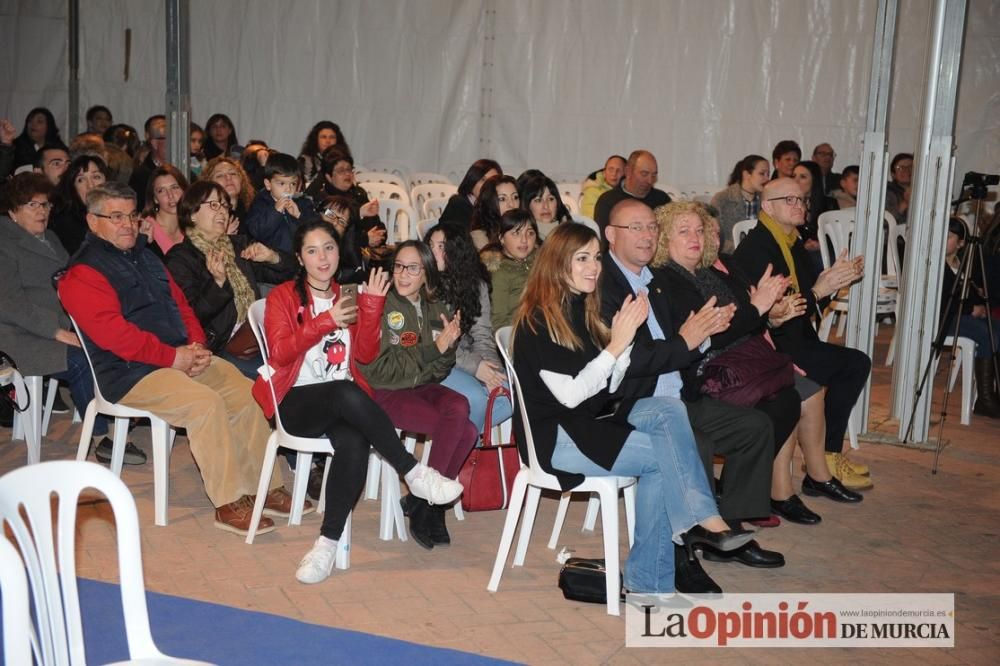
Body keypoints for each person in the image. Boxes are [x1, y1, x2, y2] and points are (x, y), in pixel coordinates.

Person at [511, 222, 754, 596]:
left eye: (595, 257)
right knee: (660, 459)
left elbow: (611, 385)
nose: (593, 267)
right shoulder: (539, 321)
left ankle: (700, 522)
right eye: (581, 259)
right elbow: (571, 396)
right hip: (558, 436)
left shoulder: (582, 309)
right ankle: (653, 577)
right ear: (558, 264)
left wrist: (621, 346)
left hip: (590, 421)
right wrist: (616, 345)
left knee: (668, 410)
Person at [58, 181, 301, 536]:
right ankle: (228, 501)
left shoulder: (146, 256)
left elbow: (182, 306)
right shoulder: (82, 273)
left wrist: (197, 346)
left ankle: (262, 486)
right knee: (205, 403)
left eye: (131, 215)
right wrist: (173, 358)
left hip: (179, 356)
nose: (127, 224)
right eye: (115, 217)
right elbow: (117, 337)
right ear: (92, 221)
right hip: (130, 373)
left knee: (246, 390)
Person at [253, 219, 463, 583]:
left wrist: (370, 309)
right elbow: (281, 353)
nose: (323, 257)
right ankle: (412, 471)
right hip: (294, 403)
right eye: (312, 250)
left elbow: (364, 355)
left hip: (341, 405)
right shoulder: (283, 297)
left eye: (329, 248)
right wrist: (324, 322)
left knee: (354, 439)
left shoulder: (346, 295)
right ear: (300, 258)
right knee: (344, 391)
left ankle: (325, 545)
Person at [600, 199, 778, 588]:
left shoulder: (654, 281)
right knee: (688, 440)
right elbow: (629, 362)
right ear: (611, 236)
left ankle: (726, 526)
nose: (647, 236)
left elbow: (690, 341)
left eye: (651, 227)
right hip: (631, 403)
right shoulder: (605, 287)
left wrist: (701, 336)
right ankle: (685, 556)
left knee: (754, 426)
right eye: (636, 228)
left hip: (680, 393)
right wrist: (692, 340)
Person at [652, 202, 863, 527]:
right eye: (685, 231)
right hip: (706, 375)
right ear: (665, 239)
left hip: (742, 365)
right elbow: (713, 335)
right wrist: (757, 308)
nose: (698, 236)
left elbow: (749, 323)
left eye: (701, 228)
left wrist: (770, 314)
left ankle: (745, 497)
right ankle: (741, 505)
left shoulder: (711, 273)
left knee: (788, 398)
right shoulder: (668, 279)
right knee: (773, 408)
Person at [732, 178, 874, 490]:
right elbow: (781, 308)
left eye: (802, 200)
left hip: (796, 337)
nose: (800, 206)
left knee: (853, 363)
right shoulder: (757, 248)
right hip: (771, 346)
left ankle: (825, 458)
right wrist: (819, 289)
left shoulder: (792, 241)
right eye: (790, 200)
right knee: (853, 364)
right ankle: (827, 457)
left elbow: (808, 299)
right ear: (768, 207)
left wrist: (831, 281)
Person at [0, 173, 144, 465]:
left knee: (116, 341)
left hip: (63, 324)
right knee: (82, 360)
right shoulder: (5, 243)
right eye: (33, 205)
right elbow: (9, 303)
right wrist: (57, 331)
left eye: (46, 205)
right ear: (13, 211)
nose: (42, 212)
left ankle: (124, 413)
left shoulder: (49, 238)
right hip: (20, 336)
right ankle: (104, 436)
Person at [355, 241, 479, 549]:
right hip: (388, 393)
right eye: (398, 266)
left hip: (422, 385)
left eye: (412, 268)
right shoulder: (385, 306)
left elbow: (443, 366)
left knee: (460, 407)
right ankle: (431, 508)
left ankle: (423, 503)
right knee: (466, 430)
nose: (403, 274)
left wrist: (444, 350)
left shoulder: (436, 307)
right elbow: (382, 370)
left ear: (426, 273)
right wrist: (434, 350)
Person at [165, 181, 296, 378]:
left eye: (225, 205)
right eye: (214, 205)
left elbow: (289, 272)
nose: (223, 211)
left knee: (300, 363)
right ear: (192, 213)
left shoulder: (238, 245)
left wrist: (271, 256)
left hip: (259, 338)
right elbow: (189, 317)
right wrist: (217, 283)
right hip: (221, 347)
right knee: (277, 375)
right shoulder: (181, 257)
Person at [425, 223, 512, 433]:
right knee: (476, 398)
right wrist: (476, 367)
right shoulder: (425, 286)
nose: (434, 252)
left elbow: (481, 332)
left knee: (511, 394)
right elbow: (438, 343)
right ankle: (463, 448)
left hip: (464, 358)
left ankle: (461, 441)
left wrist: (491, 368)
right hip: (434, 361)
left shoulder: (475, 284)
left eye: (441, 246)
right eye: (431, 246)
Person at [941, 217, 1000, 417]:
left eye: (949, 236)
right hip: (945, 319)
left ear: (961, 243)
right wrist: (970, 309)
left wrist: (979, 300)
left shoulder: (963, 264)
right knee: (986, 333)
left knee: (996, 327)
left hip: (960, 315)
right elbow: (945, 298)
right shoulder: (937, 265)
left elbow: (968, 294)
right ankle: (984, 399)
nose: (943, 239)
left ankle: (994, 389)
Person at [303, 146, 385, 248]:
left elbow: (378, 226)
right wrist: (364, 238)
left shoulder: (359, 194)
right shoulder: (323, 200)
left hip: (367, 255)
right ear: (329, 177)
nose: (347, 174)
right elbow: (333, 234)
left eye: (349, 169)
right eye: (341, 171)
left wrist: (377, 237)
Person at [245, 152, 320, 253]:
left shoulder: (302, 202)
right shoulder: (260, 203)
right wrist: (275, 211)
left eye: (293, 183)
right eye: (281, 183)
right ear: (268, 184)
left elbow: (318, 228)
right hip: (269, 264)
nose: (288, 189)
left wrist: (299, 215)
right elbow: (256, 231)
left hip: (298, 260)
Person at [481, 209, 539, 331]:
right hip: (520, 333)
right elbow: (499, 322)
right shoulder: (500, 273)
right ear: (501, 238)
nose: (524, 240)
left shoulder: (542, 263)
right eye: (516, 233)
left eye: (530, 233)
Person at [593, 150, 670, 237]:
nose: (649, 180)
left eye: (653, 175)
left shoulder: (662, 200)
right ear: (628, 171)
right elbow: (604, 241)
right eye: (644, 174)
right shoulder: (608, 202)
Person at [48, 154, 109, 256]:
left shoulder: (121, 215)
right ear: (73, 189)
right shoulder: (65, 224)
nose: (90, 185)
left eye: (96, 177)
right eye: (81, 180)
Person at [710, 154, 770, 253]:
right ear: (746, 174)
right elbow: (714, 236)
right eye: (762, 173)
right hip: (730, 256)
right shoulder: (722, 199)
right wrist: (741, 250)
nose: (767, 179)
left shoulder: (766, 200)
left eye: (768, 174)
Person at [139, 164, 189, 258]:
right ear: (155, 199)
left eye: (174, 187)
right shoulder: (145, 228)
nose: (170, 195)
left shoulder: (192, 227)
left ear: (184, 190)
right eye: (161, 191)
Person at [439, 159, 502, 228]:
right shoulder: (458, 204)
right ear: (472, 179)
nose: (486, 185)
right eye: (483, 180)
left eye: (492, 181)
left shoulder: (493, 206)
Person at [792, 160, 836, 253]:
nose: (795, 181)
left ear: (814, 180)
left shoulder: (829, 203)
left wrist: (821, 245)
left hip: (824, 253)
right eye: (793, 176)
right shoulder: (787, 204)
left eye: (802, 177)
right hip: (797, 252)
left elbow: (836, 235)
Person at [469, 174, 519, 249]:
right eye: (502, 199)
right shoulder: (479, 236)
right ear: (489, 202)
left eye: (515, 197)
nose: (511, 204)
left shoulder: (525, 227)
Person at [201, 155, 255, 226]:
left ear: (241, 179)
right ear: (209, 183)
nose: (228, 177)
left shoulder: (255, 212)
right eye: (220, 175)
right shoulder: (205, 218)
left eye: (232, 173)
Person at [519, 173, 573, 241]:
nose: (546, 206)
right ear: (527, 206)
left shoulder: (573, 234)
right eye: (538, 200)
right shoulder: (523, 240)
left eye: (550, 199)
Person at [129, 115, 167, 210]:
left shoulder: (185, 169)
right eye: (169, 139)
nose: (176, 144)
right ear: (155, 143)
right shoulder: (142, 175)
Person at [298, 121, 349, 186]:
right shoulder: (304, 161)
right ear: (316, 140)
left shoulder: (345, 161)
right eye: (323, 137)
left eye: (332, 137)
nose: (328, 141)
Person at [580, 155, 626, 219]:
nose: (614, 174)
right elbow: (590, 218)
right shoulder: (592, 191)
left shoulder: (628, 193)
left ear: (626, 173)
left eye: (619, 170)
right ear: (604, 172)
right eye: (611, 169)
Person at [886, 152, 913, 225]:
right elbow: (886, 222)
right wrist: (905, 203)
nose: (907, 170)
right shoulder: (888, 192)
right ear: (893, 174)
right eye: (900, 168)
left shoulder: (923, 191)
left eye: (910, 167)